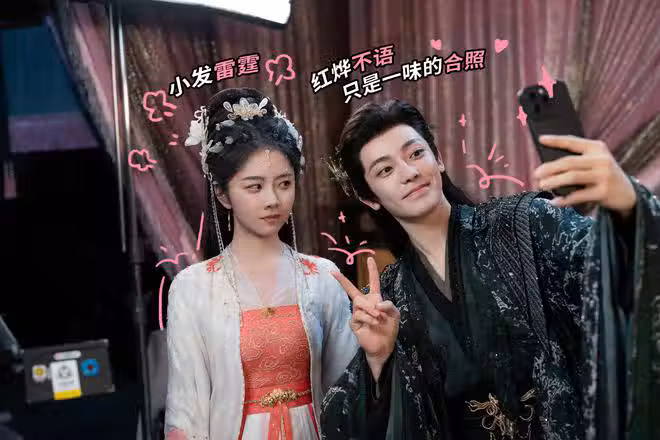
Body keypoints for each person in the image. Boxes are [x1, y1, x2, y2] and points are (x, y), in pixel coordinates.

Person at [320, 99, 660, 440]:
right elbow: (342, 421)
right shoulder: (390, 300)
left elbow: (615, 270)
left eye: (416, 154)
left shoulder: (523, 225)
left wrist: (630, 208)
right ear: (370, 198)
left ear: (438, 159)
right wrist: (379, 360)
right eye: (385, 170)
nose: (409, 172)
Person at [165, 88, 359, 440]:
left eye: (284, 184)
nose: (273, 200)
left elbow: (348, 389)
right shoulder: (193, 288)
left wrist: (378, 354)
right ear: (222, 194)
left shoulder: (322, 277)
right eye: (254, 187)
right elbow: (186, 408)